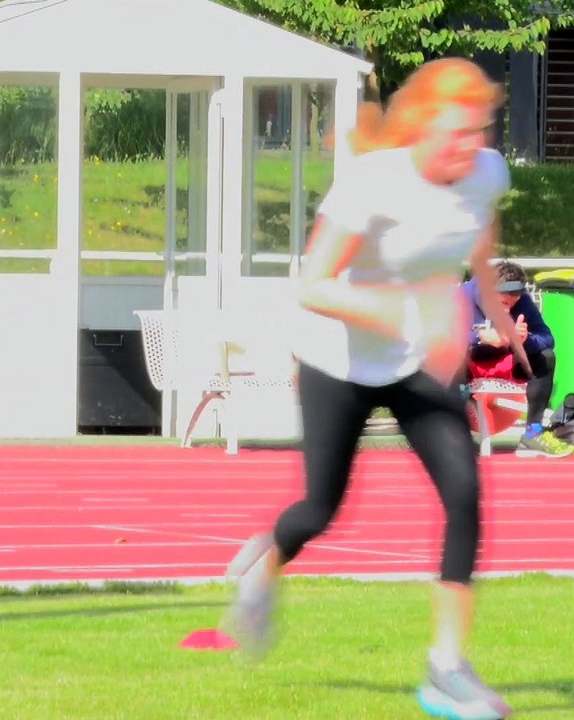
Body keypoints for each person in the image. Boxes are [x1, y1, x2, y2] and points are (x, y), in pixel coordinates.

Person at [220, 57, 522, 720]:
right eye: (456, 133)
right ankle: (264, 566)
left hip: (416, 364)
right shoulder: (373, 184)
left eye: (479, 131)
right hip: (339, 362)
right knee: (321, 511)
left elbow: (478, 238)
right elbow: (312, 284)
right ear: (421, 126)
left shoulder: (487, 173)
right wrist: (395, 311)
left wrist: (497, 315)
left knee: (465, 491)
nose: (469, 147)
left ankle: (446, 667)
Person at [460, 260, 574, 458]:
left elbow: (547, 338)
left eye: (516, 297)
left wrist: (525, 339)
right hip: (469, 363)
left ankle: (533, 433)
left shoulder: (522, 302)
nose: (511, 303)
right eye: (504, 299)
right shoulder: (462, 297)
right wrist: (480, 337)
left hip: (505, 363)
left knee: (545, 357)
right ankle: (457, 434)